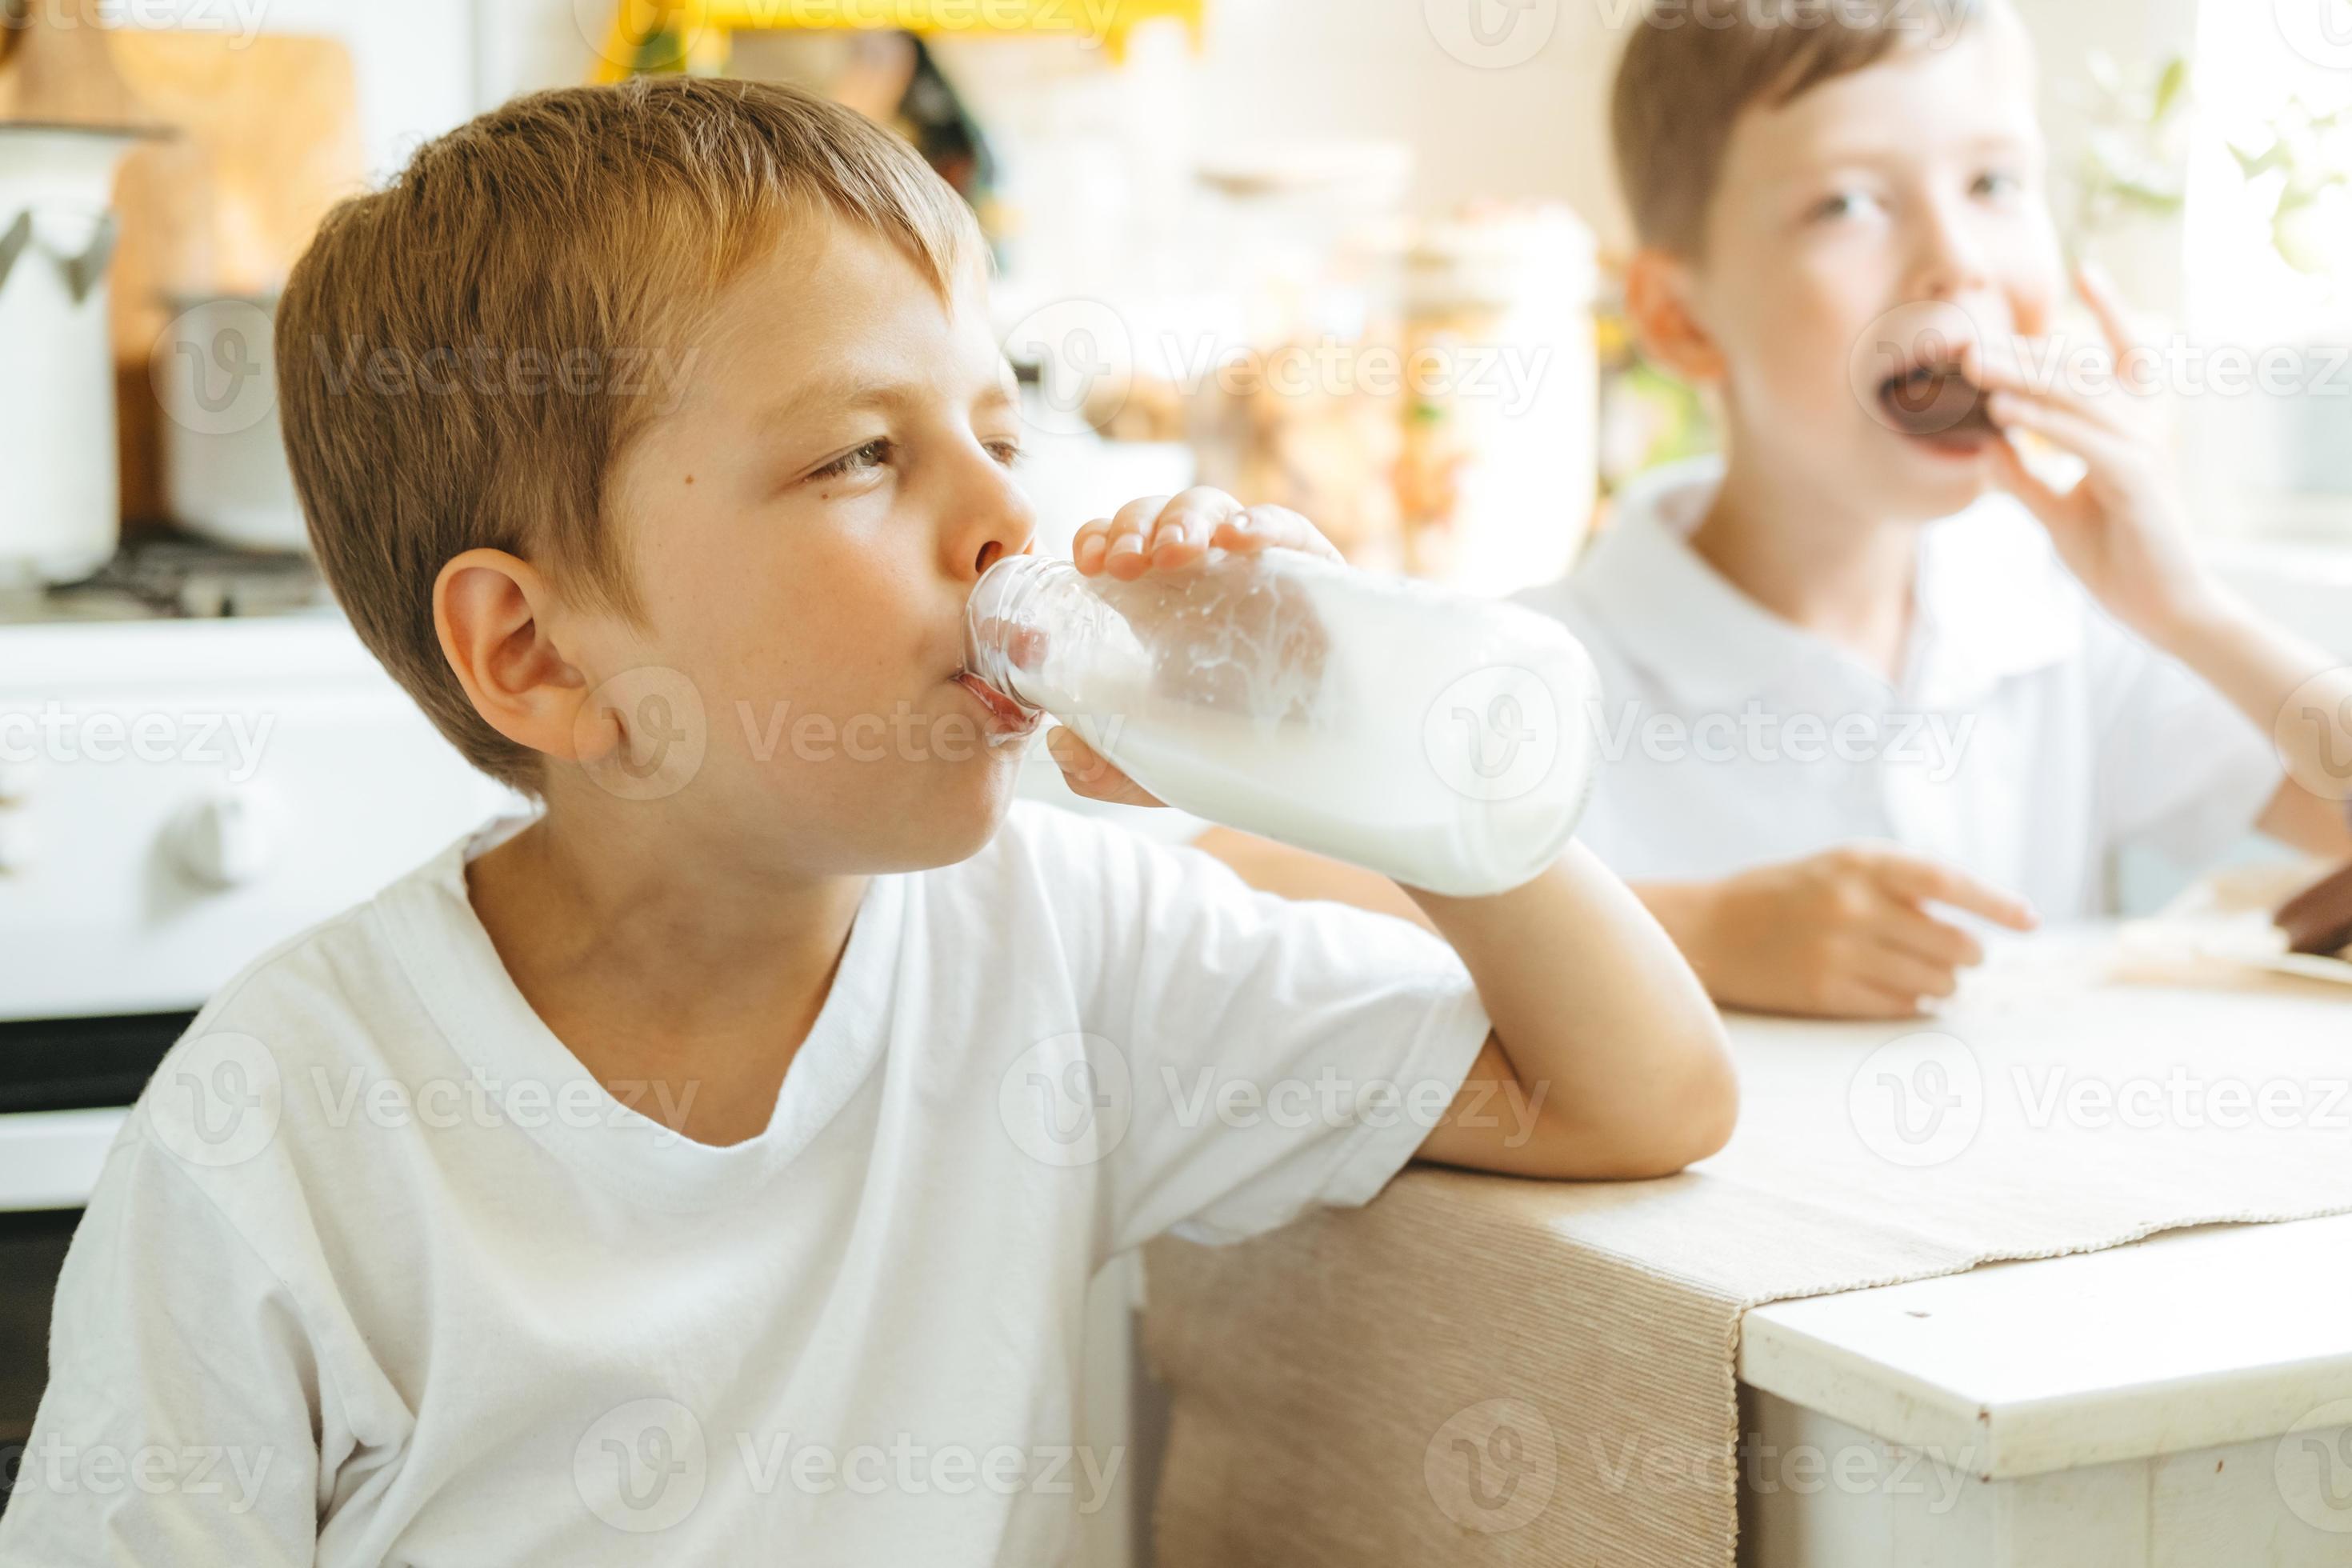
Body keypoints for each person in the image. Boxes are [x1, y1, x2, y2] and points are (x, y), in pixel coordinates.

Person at [0, 79, 1733, 1565]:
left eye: (994, 424)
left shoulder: (1067, 952)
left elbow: (1636, 1087)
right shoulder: (281, 1129)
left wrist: (1361, 729)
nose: (1005, 513)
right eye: (859, 457)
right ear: (537, 654)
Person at [1168, 0, 2352, 1021]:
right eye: (1847, 204)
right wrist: (1702, 934)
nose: (1957, 261)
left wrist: (2184, 607)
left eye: (1994, 182)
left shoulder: (2063, 624)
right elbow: (1231, 882)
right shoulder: (1543, 669)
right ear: (1680, 322)